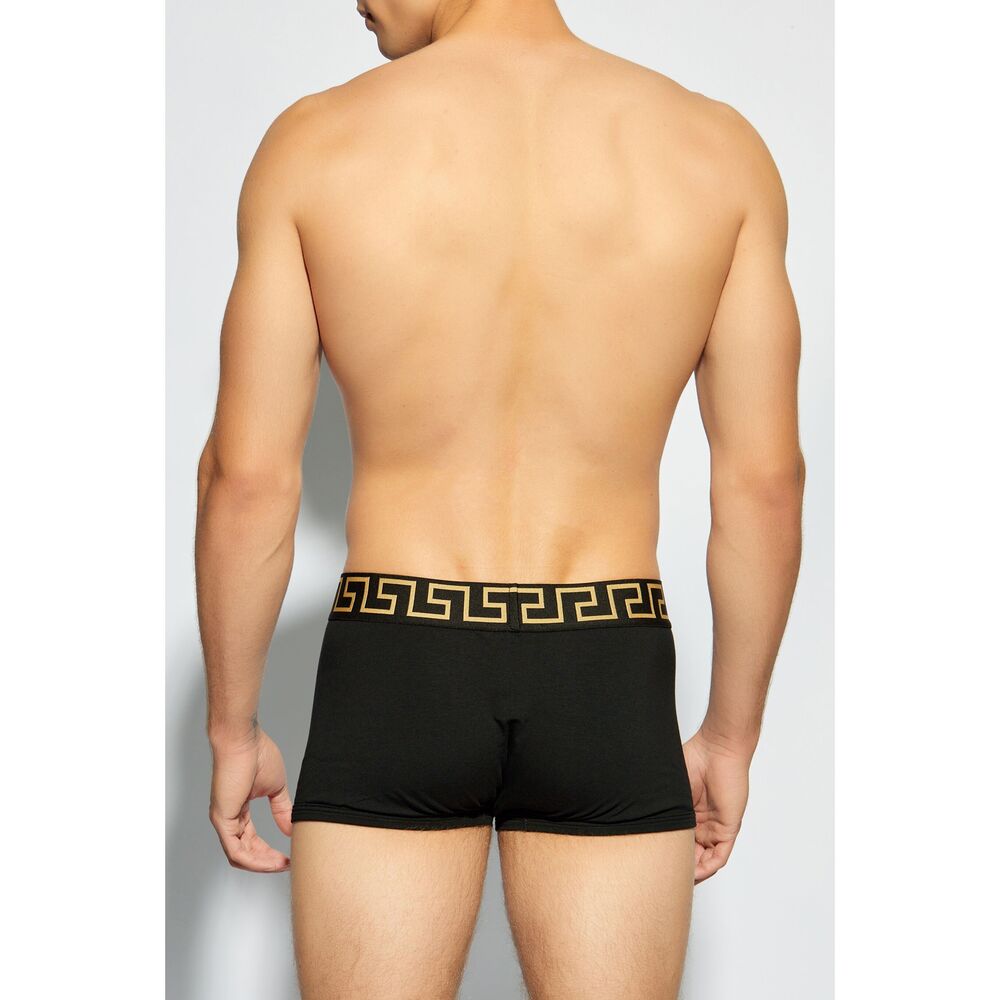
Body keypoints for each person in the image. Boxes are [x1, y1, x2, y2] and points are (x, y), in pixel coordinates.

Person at [194, 0, 805, 996]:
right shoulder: (716, 151)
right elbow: (763, 486)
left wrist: (232, 727)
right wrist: (731, 737)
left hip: (399, 650)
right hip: (606, 658)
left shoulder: (315, 144)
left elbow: (248, 478)